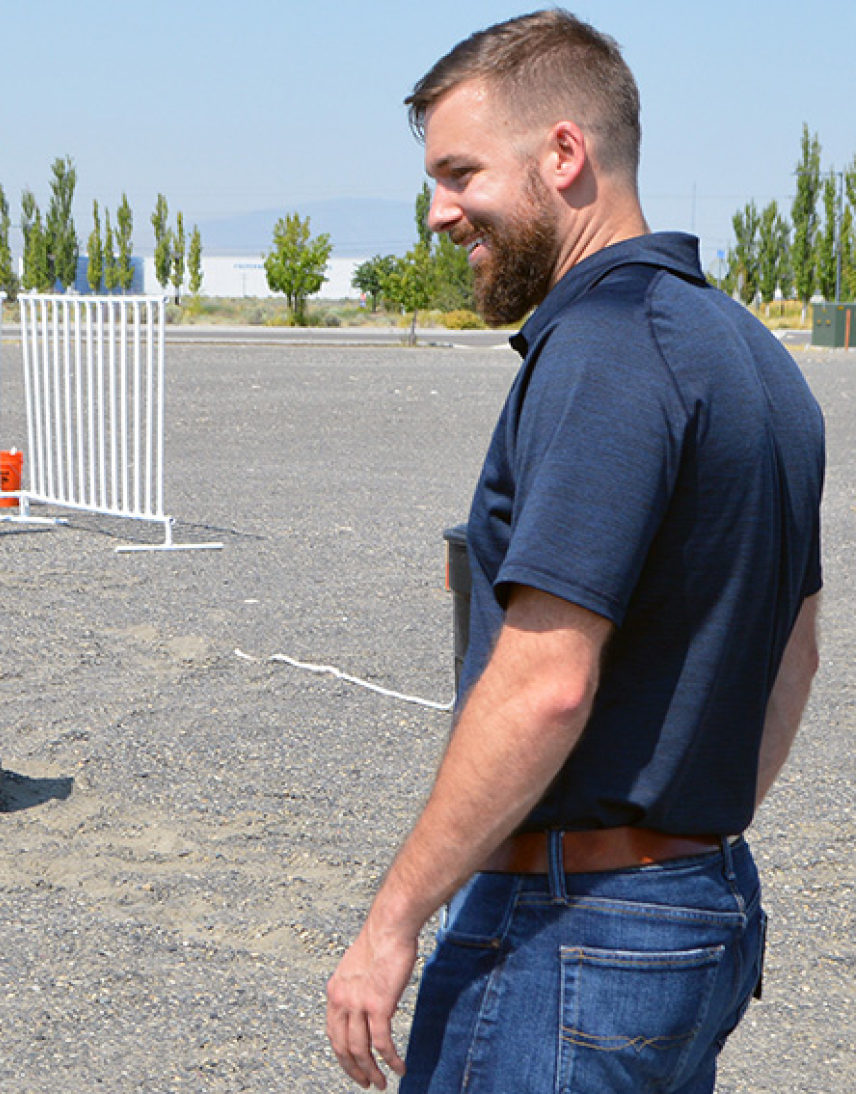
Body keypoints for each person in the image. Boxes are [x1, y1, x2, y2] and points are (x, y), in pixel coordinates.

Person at [325, 10, 825, 1093]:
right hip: (700, 906)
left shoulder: (603, 350)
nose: (438, 211)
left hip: (569, 930)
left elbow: (546, 683)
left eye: (460, 172)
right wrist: (682, 839)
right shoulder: (755, 358)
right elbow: (795, 658)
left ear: (563, 154)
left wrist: (390, 922)